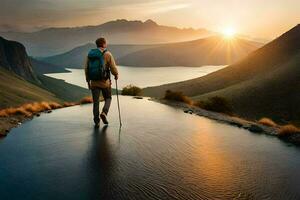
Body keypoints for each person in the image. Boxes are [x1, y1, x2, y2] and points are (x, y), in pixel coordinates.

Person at [84, 37, 119, 127]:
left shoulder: (90, 54)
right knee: (108, 98)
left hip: (94, 82)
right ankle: (104, 113)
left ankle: (96, 121)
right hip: (104, 82)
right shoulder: (107, 54)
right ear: (103, 44)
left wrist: (88, 80)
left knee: (96, 102)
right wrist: (116, 75)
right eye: (105, 43)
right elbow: (113, 67)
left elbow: (86, 68)